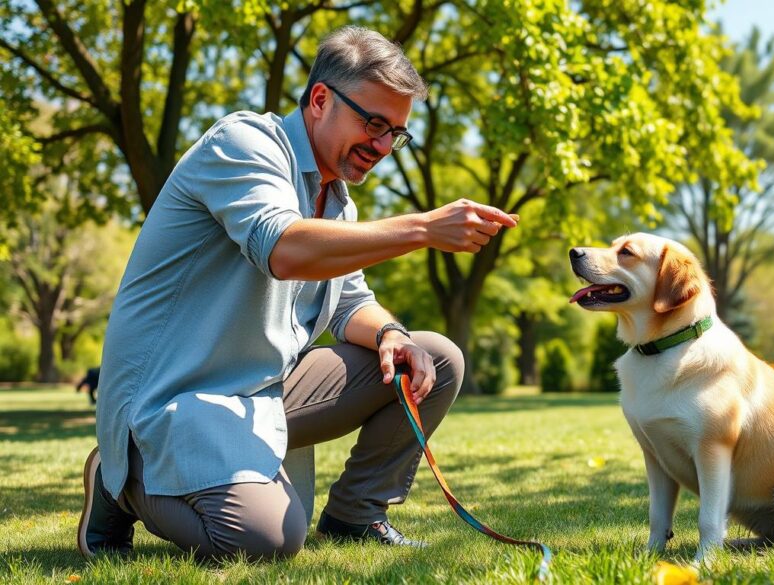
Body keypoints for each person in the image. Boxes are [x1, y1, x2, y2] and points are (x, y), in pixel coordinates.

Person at [78, 25, 518, 560]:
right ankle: (118, 475)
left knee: (436, 360)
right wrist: (422, 228)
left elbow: (350, 301)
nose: (383, 147)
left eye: (395, 134)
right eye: (374, 123)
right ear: (319, 99)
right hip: (173, 396)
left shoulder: (336, 198)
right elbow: (283, 250)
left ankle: (357, 515)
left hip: (258, 386)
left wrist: (390, 334)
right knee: (265, 540)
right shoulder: (243, 144)